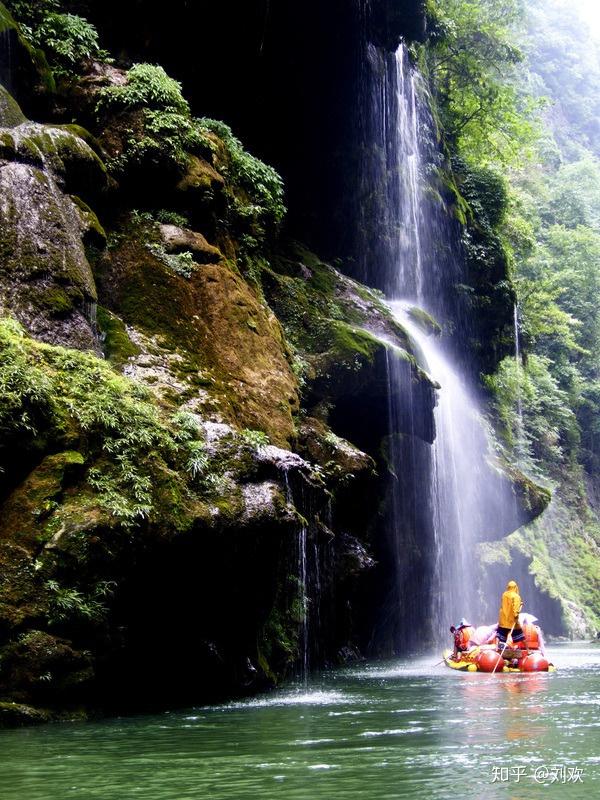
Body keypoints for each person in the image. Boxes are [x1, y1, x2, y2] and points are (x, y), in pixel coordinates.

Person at [497, 580, 528, 656]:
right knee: (521, 636)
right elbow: (515, 608)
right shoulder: (516, 596)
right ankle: (528, 651)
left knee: (499, 635)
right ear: (515, 587)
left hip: (503, 620)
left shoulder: (504, 594)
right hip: (512, 621)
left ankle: (497, 649)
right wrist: (516, 615)